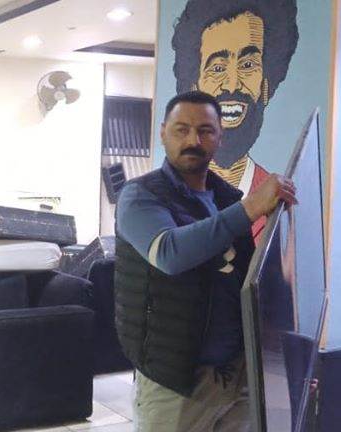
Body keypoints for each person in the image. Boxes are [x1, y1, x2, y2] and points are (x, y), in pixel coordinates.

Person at [114, 91, 297, 431]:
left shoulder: (225, 198)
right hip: (175, 381)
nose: (193, 141)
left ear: (219, 137)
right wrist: (250, 208)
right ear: (163, 132)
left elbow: (244, 280)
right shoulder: (140, 196)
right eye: (181, 129)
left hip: (238, 373)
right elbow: (168, 253)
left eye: (205, 131)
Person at [171, 0, 299, 240]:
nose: (232, 84)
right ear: (195, 86)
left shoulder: (280, 201)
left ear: (265, 84)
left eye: (248, 64)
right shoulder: (163, 199)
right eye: (217, 68)